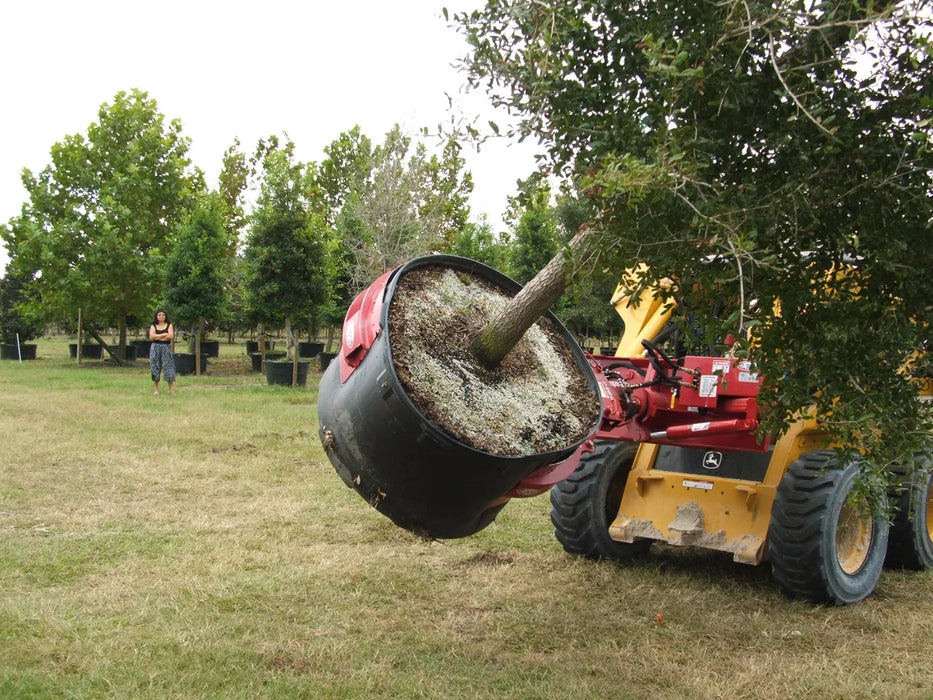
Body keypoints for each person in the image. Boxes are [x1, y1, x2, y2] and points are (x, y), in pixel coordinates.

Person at [148, 308, 176, 395]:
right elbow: (151, 336)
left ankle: (171, 390)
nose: (161, 316)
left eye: (163, 315)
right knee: (155, 367)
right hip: (155, 348)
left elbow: (170, 336)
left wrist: (157, 336)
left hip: (166, 348)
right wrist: (164, 334)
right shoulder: (153, 326)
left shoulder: (169, 325)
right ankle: (156, 390)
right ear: (156, 316)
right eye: (159, 315)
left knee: (168, 367)